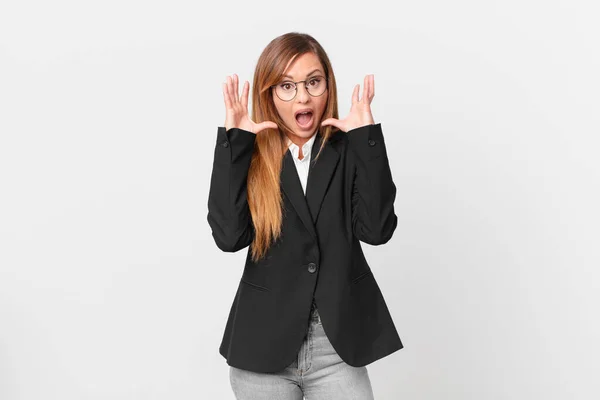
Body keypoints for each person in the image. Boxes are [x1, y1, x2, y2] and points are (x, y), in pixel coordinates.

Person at [207, 32, 403, 400]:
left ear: (327, 86)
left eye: (313, 82)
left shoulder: (347, 151)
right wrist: (234, 146)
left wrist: (367, 138)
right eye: (287, 86)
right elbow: (229, 237)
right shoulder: (250, 154)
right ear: (269, 94)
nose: (303, 96)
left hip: (336, 347)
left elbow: (377, 230)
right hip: (262, 348)